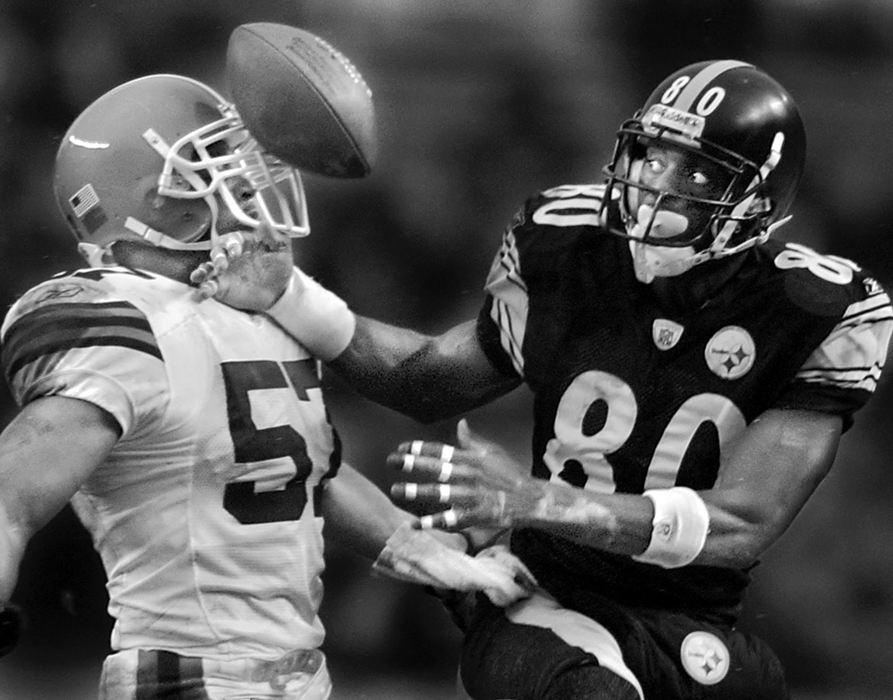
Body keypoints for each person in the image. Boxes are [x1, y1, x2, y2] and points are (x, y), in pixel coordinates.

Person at [191, 60, 893, 699]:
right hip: (545, 596)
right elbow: (426, 381)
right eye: (651, 158)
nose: (655, 187)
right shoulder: (567, 243)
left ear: (757, 197)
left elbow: (744, 522)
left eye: (697, 176)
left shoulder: (816, 309)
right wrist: (288, 295)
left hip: (695, 618)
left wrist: (539, 500)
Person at [0, 72, 537, 699]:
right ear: (149, 196)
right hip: (188, 674)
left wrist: (422, 552)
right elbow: (12, 493)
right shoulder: (122, 322)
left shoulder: (254, 300)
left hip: (298, 672)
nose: (247, 180)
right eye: (215, 161)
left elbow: (297, 470)